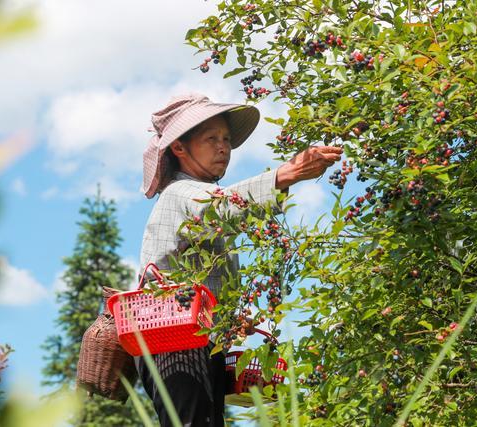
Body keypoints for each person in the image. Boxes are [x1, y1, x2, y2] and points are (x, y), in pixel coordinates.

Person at [137, 93, 342, 426]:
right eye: (211, 139)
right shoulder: (181, 193)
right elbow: (219, 207)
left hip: (194, 343)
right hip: (175, 345)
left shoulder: (195, 196)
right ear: (180, 148)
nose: (223, 148)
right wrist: (284, 175)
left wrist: (228, 321)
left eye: (227, 139)